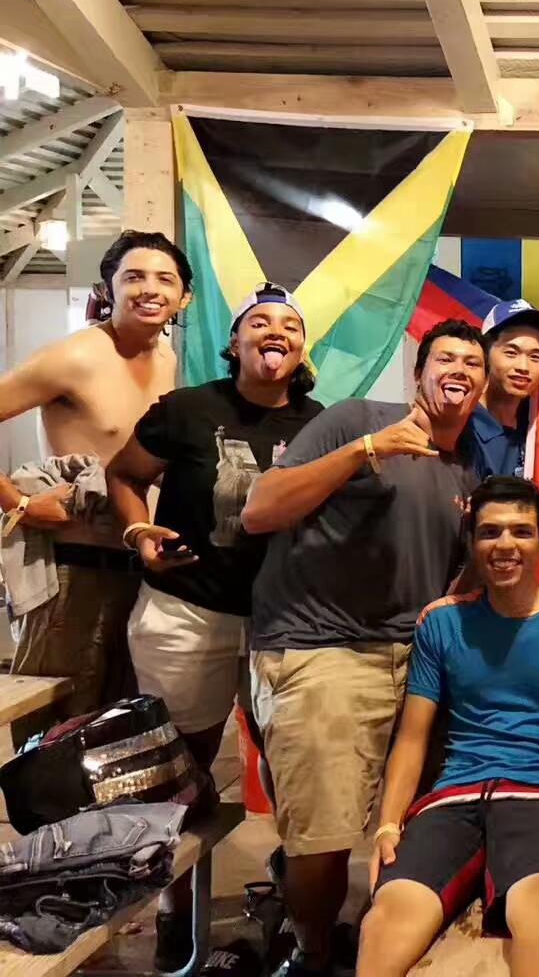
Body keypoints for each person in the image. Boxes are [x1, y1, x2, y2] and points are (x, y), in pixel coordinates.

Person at [240, 319, 487, 977]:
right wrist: (365, 451)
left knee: (420, 821)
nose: (458, 370)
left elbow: (458, 569)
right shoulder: (356, 420)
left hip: (420, 659)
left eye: (472, 363)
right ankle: (312, 954)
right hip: (325, 650)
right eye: (445, 358)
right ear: (419, 372)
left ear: (482, 386)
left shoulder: (470, 463)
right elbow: (260, 510)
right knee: (322, 836)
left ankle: (378, 942)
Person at [106, 283, 323, 972]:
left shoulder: (321, 425)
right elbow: (123, 474)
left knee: (295, 765)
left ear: (303, 348)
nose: (274, 331)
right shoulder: (188, 410)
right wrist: (139, 532)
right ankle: (177, 918)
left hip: (281, 620)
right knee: (183, 768)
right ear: (235, 342)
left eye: (289, 324)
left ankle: (295, 906)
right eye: (259, 322)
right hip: (186, 610)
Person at [357, 476, 539, 977]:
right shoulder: (441, 622)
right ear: (472, 542)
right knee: (386, 917)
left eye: (521, 532)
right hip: (456, 796)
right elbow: (413, 737)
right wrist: (388, 824)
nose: (505, 545)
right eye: (490, 532)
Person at [0, 230, 191, 719]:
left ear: (183, 297)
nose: (150, 289)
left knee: (119, 722)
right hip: (72, 566)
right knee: (56, 723)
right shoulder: (75, 356)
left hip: (137, 563)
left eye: (164, 279)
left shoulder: (166, 358)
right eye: (134, 277)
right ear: (108, 289)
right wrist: (18, 503)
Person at [468, 301, 539, 479]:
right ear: (485, 354)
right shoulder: (460, 425)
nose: (523, 367)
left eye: (535, 357)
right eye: (511, 353)